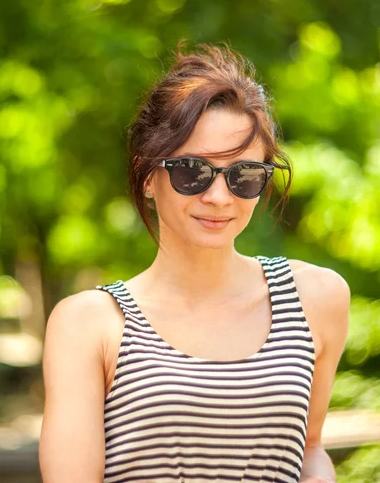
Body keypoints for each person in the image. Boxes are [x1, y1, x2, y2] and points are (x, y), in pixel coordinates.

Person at [39, 41, 350, 483]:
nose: (219, 197)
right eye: (192, 171)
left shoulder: (317, 298)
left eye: (244, 175)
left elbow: (310, 449)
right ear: (148, 175)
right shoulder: (89, 323)